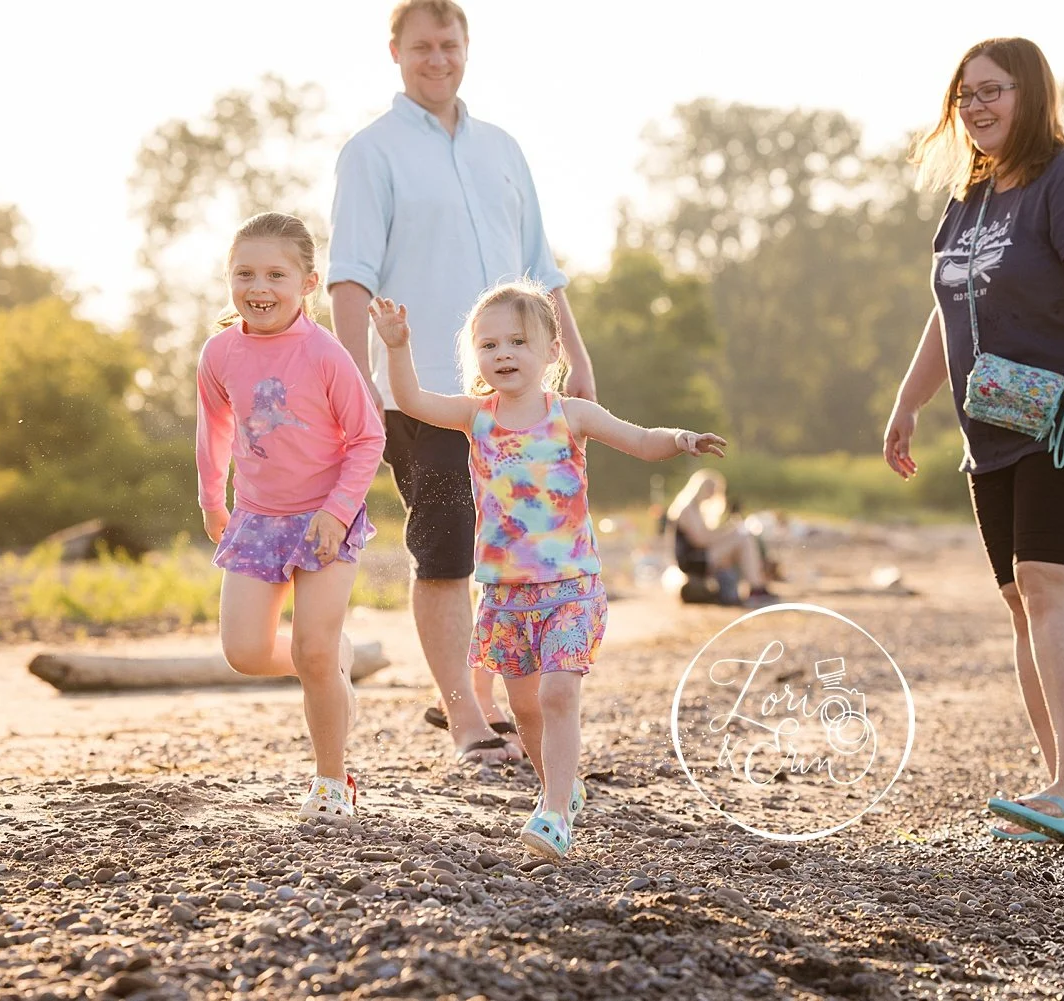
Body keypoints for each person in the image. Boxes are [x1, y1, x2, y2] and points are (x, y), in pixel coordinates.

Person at [882, 38, 1064, 850]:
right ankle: (1061, 786)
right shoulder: (969, 199)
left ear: (1031, 94)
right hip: (997, 426)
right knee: (1020, 599)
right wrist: (909, 401)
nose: (974, 107)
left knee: (1052, 583)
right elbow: (949, 310)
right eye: (964, 94)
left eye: (992, 91)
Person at [368, 280, 725, 858]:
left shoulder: (571, 414)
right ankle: (559, 786)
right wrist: (396, 346)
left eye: (517, 341)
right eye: (489, 345)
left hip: (570, 589)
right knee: (525, 709)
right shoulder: (475, 418)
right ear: (475, 356)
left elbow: (638, 439)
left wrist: (681, 438)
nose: (503, 353)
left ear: (552, 352)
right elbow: (412, 402)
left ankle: (555, 813)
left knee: (559, 693)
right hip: (505, 595)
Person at [327, 0, 595, 766]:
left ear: (467, 49)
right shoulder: (370, 153)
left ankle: (496, 695)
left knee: (513, 549)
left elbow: (543, 272)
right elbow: (349, 279)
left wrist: (576, 357)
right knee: (445, 548)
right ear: (395, 52)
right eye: (422, 47)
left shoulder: (504, 150)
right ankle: (466, 719)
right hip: (428, 391)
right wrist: (352, 388)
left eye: (449, 44)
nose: (436, 58)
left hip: (523, 398)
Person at [196, 212, 386, 823]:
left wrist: (337, 513)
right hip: (256, 519)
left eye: (276, 274)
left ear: (307, 282)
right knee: (245, 652)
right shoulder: (220, 352)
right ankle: (333, 659)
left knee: (311, 652)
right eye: (244, 272)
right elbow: (215, 429)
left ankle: (332, 781)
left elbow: (367, 438)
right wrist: (212, 500)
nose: (260, 287)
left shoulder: (324, 354)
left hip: (325, 518)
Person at [665, 469, 776, 605]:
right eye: (711, 489)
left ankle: (755, 585)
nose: (713, 493)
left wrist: (729, 531)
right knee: (743, 538)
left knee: (743, 538)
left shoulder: (697, 508)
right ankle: (755, 587)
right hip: (693, 561)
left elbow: (707, 537)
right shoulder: (687, 508)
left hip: (700, 557)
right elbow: (700, 540)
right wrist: (729, 531)